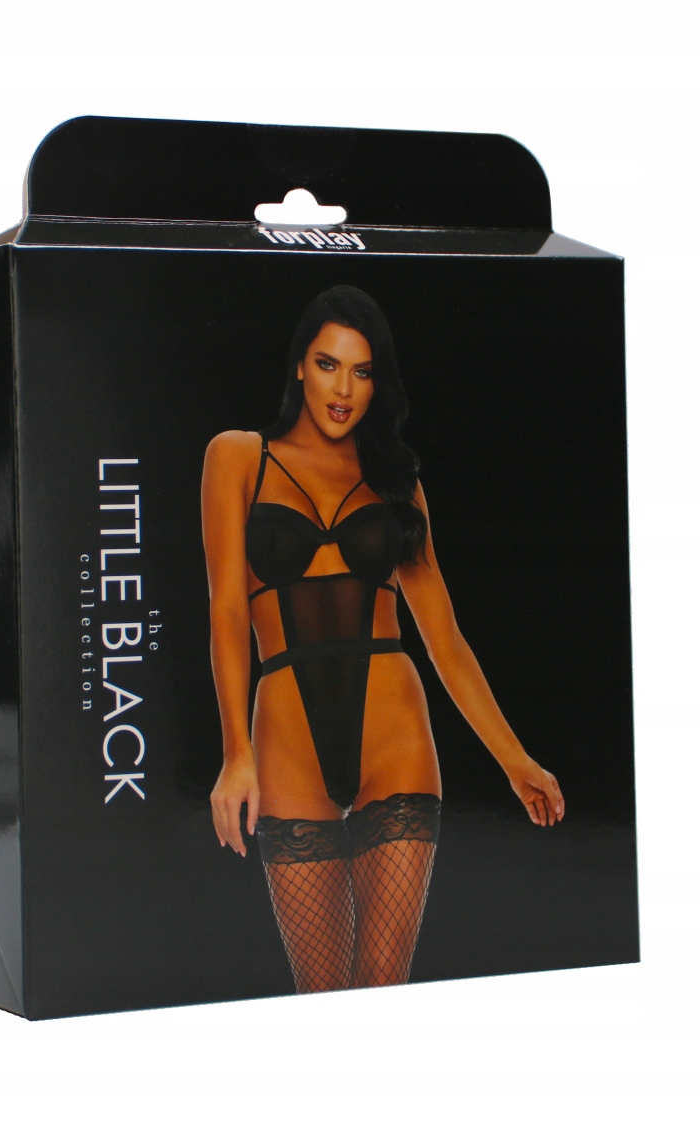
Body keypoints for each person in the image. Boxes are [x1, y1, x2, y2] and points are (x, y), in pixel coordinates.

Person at [201, 284, 564, 994]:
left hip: (394, 738)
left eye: (362, 372)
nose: (343, 389)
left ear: (378, 382)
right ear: (299, 366)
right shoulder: (238, 457)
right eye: (328, 364)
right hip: (287, 743)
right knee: (320, 997)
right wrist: (235, 755)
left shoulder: (397, 483)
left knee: (384, 991)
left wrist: (513, 758)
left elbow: (444, 639)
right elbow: (224, 611)